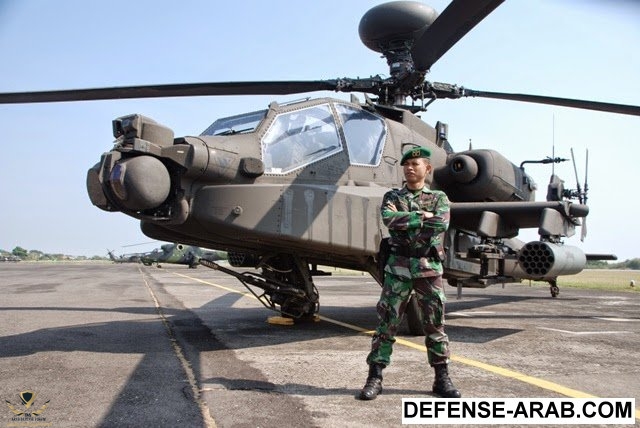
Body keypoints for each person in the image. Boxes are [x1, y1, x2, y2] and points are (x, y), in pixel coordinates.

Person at [358, 146, 460, 400]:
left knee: (435, 324)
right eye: (406, 165)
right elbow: (388, 219)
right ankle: (375, 377)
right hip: (398, 269)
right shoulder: (392, 196)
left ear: (428, 168)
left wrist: (408, 219)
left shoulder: (439, 198)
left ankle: (441, 378)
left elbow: (441, 223)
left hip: (428, 269)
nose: (410, 168)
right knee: (386, 324)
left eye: (415, 164)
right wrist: (421, 216)